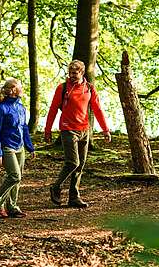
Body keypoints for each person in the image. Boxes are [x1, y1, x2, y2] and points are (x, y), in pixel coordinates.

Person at [44, 60, 111, 208]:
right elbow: (53, 109)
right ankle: (56, 186)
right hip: (68, 130)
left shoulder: (90, 89)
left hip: (84, 131)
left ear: (82, 73)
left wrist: (105, 130)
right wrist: (47, 130)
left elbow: (97, 110)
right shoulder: (62, 88)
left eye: (75, 73)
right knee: (73, 162)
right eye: (70, 73)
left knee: (80, 166)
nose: (72, 76)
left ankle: (74, 197)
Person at [0, 78, 35, 218]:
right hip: (7, 147)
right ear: (14, 90)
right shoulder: (0, 109)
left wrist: (30, 147)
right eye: (20, 86)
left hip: (20, 147)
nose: (22, 89)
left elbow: (24, 128)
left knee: (18, 178)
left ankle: (13, 207)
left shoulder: (21, 107)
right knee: (14, 176)